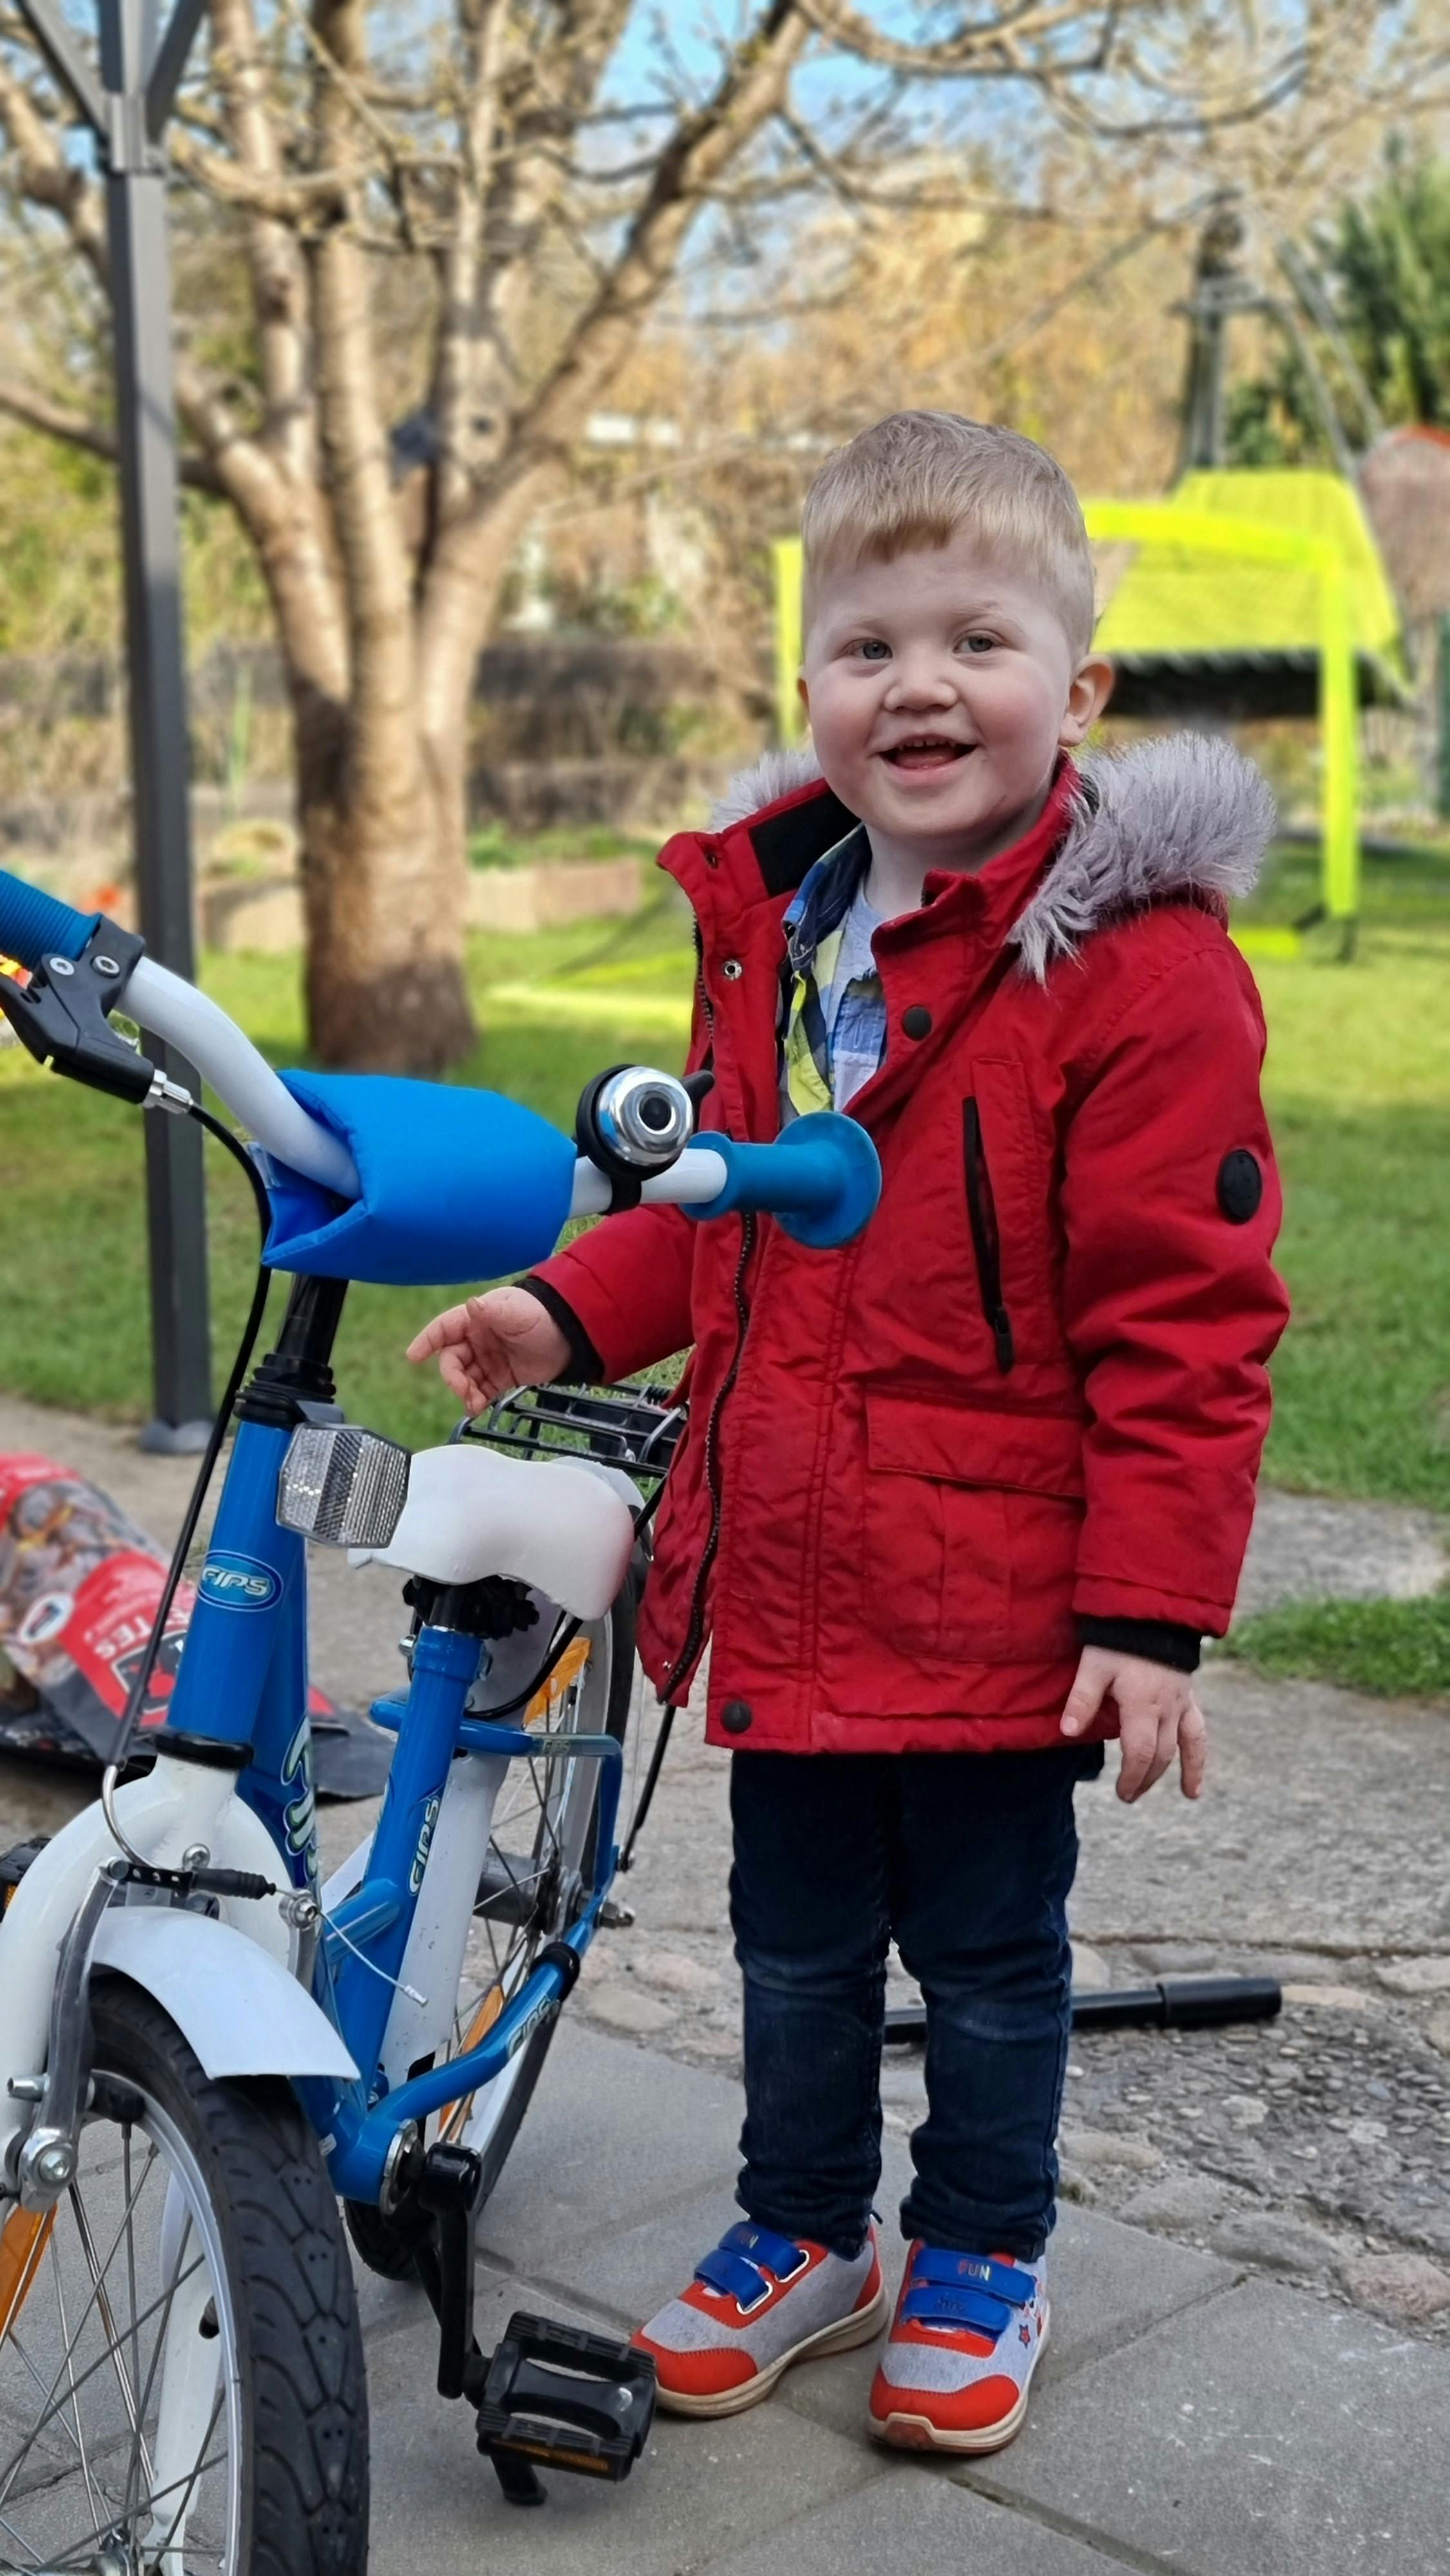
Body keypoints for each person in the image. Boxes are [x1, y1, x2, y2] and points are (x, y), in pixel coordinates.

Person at [409, 412, 1289, 2455]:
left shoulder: (1140, 980)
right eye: (868, 646)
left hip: (998, 1594)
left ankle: (978, 2247)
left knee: (986, 1954)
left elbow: (1184, 1321)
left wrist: (1148, 1616)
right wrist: (561, 1306)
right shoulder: (779, 937)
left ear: (1077, 687)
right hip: (793, 1577)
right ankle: (804, 2228)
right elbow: (718, 1208)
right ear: (806, 684)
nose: (919, 687)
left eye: (978, 641)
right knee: (791, 1948)